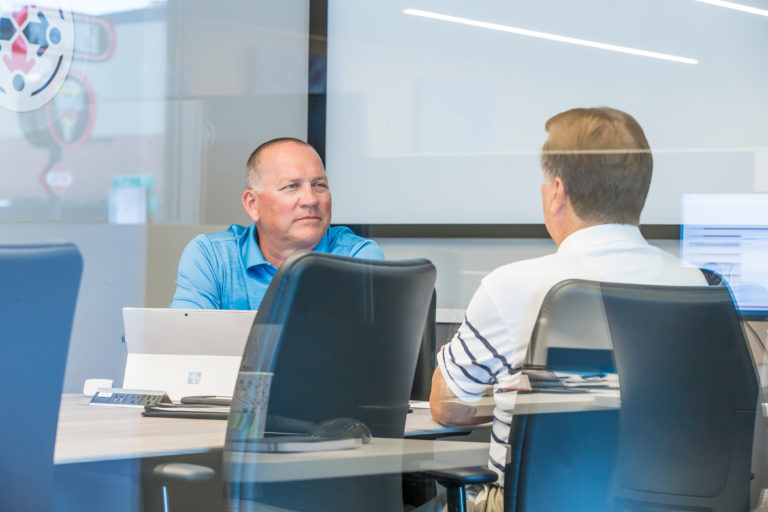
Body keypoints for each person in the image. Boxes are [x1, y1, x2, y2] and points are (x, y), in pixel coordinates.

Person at [423, 107, 707, 512]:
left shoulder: (513, 286)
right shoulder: (696, 284)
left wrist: (529, 406)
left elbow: (448, 406)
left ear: (558, 192)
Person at [171, 137, 384, 310]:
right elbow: (185, 344)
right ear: (252, 204)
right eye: (291, 187)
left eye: (319, 185)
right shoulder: (212, 257)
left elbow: (367, 354)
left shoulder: (358, 258)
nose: (311, 200)